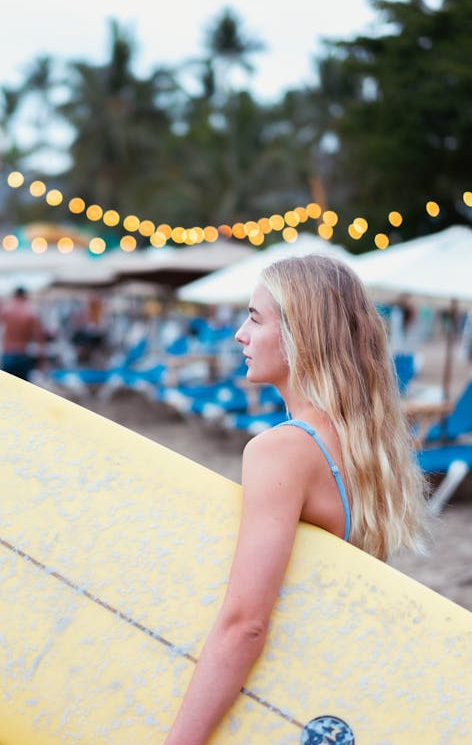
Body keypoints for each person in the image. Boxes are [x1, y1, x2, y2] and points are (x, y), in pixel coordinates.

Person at [164, 255, 430, 745]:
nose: (239, 335)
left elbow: (245, 624)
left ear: (300, 336)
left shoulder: (282, 451)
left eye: (255, 319)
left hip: (277, 700)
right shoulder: (365, 443)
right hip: (327, 700)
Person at [0, 286, 46, 380]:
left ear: (14, 295)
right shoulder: (30, 311)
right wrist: (41, 360)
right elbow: (40, 336)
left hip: (7, 353)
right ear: (25, 296)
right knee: (22, 387)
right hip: (22, 354)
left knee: (5, 385)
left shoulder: (5, 308)